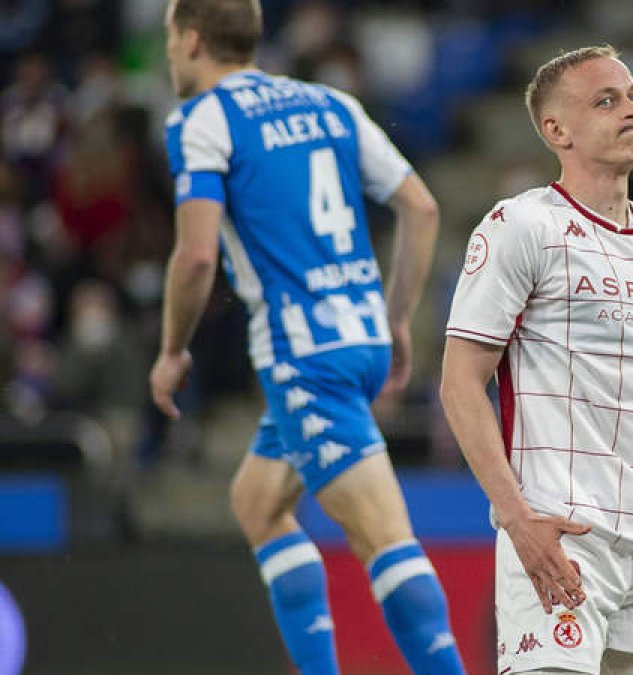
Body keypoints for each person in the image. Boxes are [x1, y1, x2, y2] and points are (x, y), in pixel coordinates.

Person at [147, 1, 465, 673]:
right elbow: (422, 206)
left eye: (171, 39)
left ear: (193, 38)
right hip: (360, 339)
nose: (170, 54)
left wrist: (173, 350)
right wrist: (397, 315)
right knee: (258, 500)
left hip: (303, 357)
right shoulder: (331, 106)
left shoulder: (202, 120)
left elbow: (197, 256)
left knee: (384, 536)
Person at [440, 45, 633, 675]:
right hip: (562, 540)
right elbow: (460, 384)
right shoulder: (520, 226)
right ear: (557, 130)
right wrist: (517, 521)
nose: (632, 110)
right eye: (607, 101)